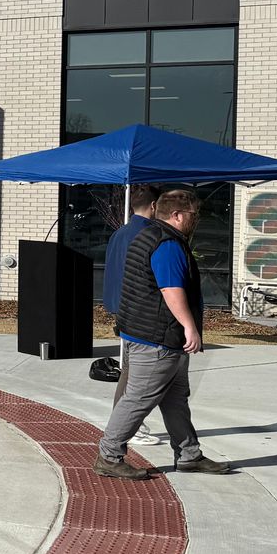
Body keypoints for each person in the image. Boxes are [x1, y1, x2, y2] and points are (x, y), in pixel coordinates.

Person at [97, 187, 233, 479]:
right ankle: (109, 456)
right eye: (194, 215)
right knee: (138, 399)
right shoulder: (167, 244)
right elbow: (171, 290)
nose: (196, 220)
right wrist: (190, 327)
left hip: (146, 334)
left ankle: (189, 455)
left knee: (175, 399)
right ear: (177, 214)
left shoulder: (146, 235)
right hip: (157, 339)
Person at [101, 185, 161, 443]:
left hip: (121, 307)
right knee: (135, 372)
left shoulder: (120, 233)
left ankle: (125, 423)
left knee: (130, 369)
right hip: (139, 310)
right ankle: (128, 426)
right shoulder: (149, 234)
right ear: (154, 206)